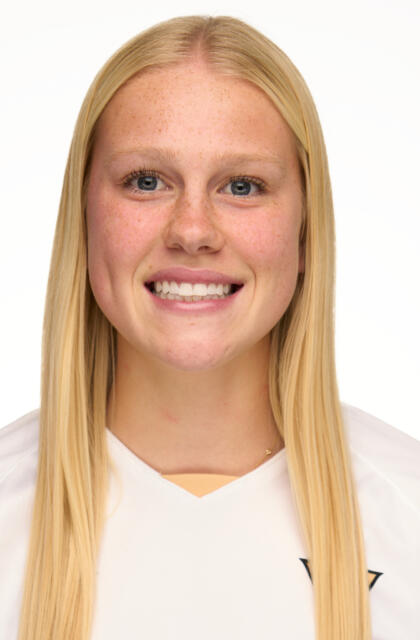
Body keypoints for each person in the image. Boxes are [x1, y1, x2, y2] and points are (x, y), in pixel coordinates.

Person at [0, 15, 419, 640]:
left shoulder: (408, 513)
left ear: (306, 231)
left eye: (242, 186)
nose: (192, 230)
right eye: (146, 181)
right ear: (83, 219)